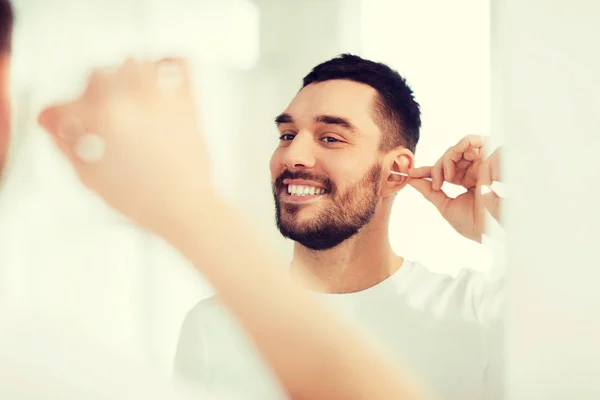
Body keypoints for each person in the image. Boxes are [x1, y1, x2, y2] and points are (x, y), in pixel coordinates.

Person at [173, 55, 505, 399]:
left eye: (330, 138)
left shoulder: (479, 313)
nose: (291, 156)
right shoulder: (213, 325)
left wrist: (505, 228)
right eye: (287, 135)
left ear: (394, 173)